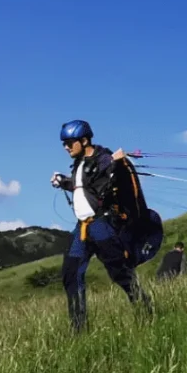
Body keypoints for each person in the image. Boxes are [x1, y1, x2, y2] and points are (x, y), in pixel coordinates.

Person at [51, 119, 155, 331]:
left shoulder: (104, 159)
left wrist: (116, 164)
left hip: (101, 225)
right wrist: (64, 182)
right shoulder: (80, 164)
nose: (66, 147)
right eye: (64, 143)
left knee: (119, 273)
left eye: (70, 142)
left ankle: (146, 311)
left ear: (84, 140)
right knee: (71, 274)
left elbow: (105, 187)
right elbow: (85, 187)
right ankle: (78, 330)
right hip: (82, 228)